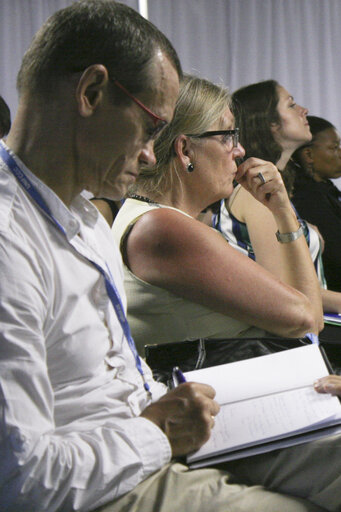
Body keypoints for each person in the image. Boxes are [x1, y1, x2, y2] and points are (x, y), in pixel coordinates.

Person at [2, 5, 340, 507]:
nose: (147, 155)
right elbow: (20, 479)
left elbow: (126, 383)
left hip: (151, 442)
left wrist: (276, 395)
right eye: (149, 126)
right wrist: (159, 433)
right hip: (116, 471)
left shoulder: (83, 219)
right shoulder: (20, 238)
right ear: (91, 93)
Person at [109, 74, 323, 355]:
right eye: (227, 136)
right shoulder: (164, 228)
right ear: (185, 150)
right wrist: (283, 213)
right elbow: (307, 321)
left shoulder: (153, 217)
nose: (240, 150)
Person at [211, 80, 341, 314]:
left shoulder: (271, 190)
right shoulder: (256, 193)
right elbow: (284, 288)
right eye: (291, 105)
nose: (304, 110)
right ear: (270, 124)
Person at [292, 115, 341, 293]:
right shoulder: (308, 197)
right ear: (309, 155)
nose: (340, 153)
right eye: (334, 147)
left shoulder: (325, 190)